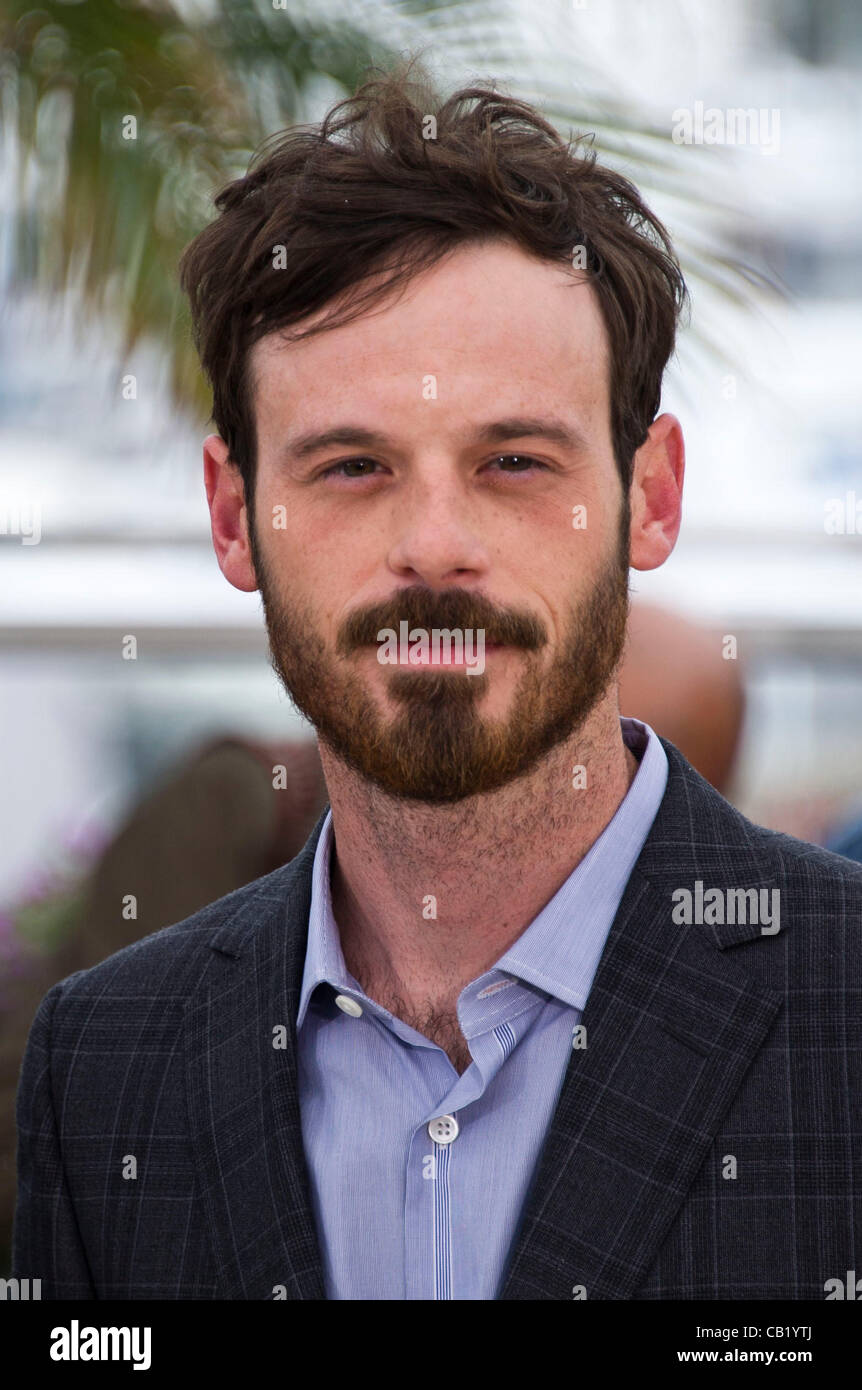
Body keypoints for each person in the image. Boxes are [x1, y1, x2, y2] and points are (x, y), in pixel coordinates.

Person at [13, 59, 861, 1301]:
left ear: (653, 494)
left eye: (514, 460)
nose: (434, 546)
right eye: (352, 466)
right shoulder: (102, 1064)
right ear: (235, 514)